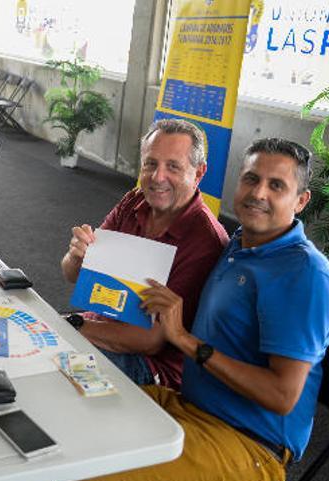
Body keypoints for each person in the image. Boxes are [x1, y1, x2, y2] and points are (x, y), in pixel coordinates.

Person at [64, 138, 329, 481]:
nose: (258, 193)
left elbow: (282, 396)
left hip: (248, 443)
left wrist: (184, 339)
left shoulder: (304, 274)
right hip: (188, 406)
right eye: (251, 179)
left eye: (276, 186)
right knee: (71, 427)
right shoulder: (239, 245)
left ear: (301, 201)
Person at [61, 119, 228, 389]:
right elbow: (72, 275)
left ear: (199, 173)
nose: (157, 177)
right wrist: (76, 256)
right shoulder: (134, 200)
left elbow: (149, 341)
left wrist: (71, 324)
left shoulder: (205, 241)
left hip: (151, 366)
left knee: (52, 364)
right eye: (150, 164)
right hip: (103, 325)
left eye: (173, 166)